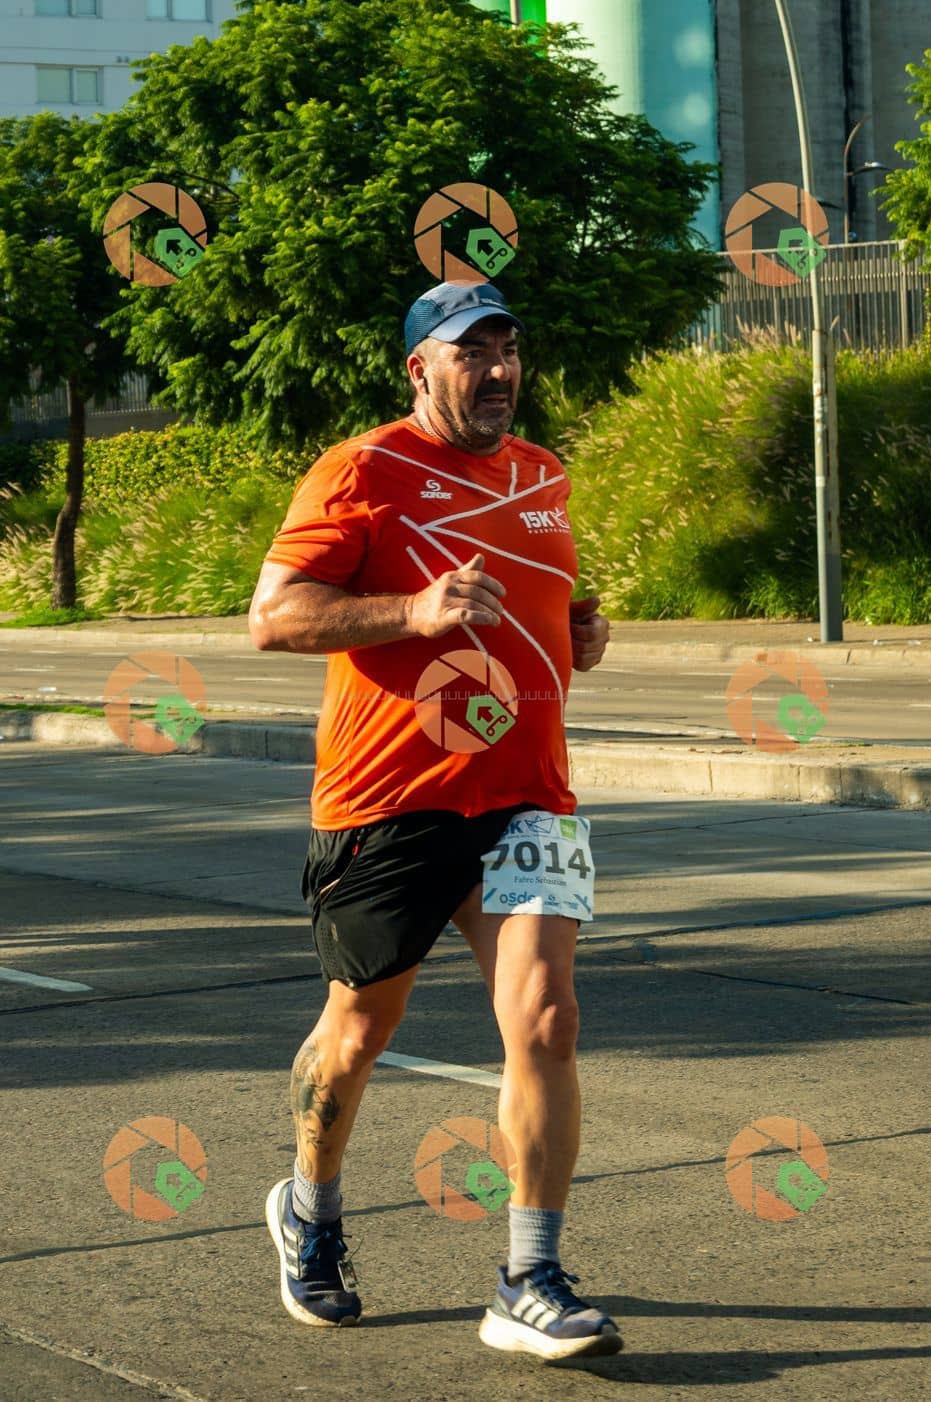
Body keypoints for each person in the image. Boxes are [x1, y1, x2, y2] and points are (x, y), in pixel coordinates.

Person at [248, 280, 619, 1361]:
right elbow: (273, 616)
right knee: (360, 1029)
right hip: (391, 797)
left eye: (509, 349)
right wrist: (411, 610)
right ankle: (308, 1207)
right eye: (472, 353)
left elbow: (536, 603)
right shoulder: (359, 470)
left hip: (527, 794)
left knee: (546, 1019)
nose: (499, 371)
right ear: (420, 368)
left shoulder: (542, 472)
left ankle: (528, 1278)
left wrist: (575, 634)